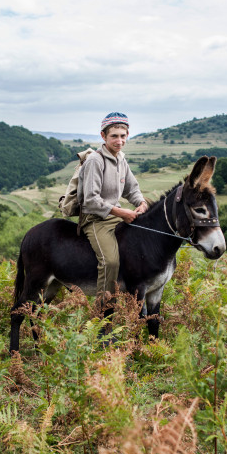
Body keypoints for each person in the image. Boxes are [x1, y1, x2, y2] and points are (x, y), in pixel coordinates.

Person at [78, 112, 148, 307]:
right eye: (114, 136)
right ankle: (104, 312)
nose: (119, 140)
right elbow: (91, 200)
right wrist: (122, 213)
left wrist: (141, 203)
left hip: (116, 215)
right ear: (103, 136)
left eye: (123, 136)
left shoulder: (121, 160)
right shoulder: (96, 161)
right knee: (110, 262)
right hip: (95, 219)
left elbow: (132, 189)